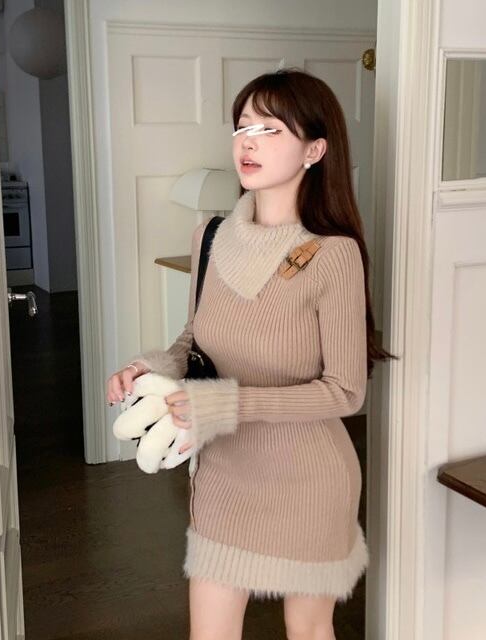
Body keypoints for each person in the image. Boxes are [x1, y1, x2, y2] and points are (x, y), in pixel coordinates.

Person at [106, 68, 396, 640]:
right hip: (225, 474)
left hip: (308, 479)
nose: (249, 142)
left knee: (308, 630)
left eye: (270, 129)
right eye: (242, 127)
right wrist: (150, 370)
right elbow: (194, 339)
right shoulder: (210, 236)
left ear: (314, 150)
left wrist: (224, 405)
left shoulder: (333, 255)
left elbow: (345, 392)